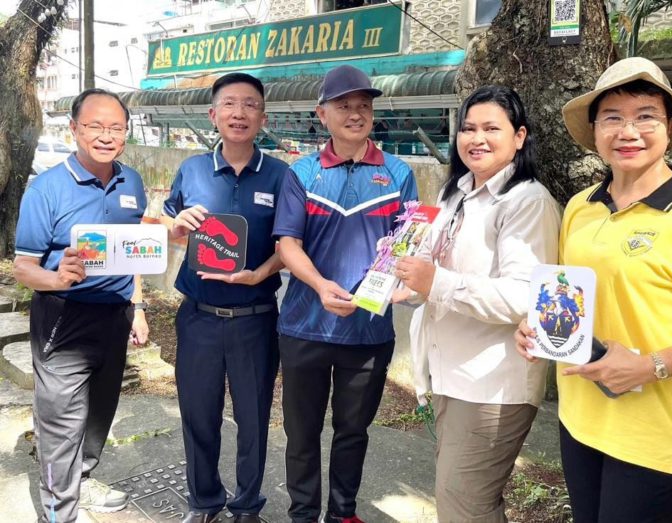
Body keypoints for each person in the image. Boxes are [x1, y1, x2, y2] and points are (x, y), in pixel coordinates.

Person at [515, 57, 672, 523]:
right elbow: (570, 294)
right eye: (613, 118)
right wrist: (539, 325)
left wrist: (651, 366)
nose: (628, 131)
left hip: (651, 431)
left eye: (645, 116)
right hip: (579, 417)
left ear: (668, 128)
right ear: (595, 131)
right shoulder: (581, 208)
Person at [394, 85, 560, 522]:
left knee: (465, 505)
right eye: (468, 128)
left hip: (492, 384)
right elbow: (435, 265)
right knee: (461, 501)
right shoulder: (456, 192)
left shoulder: (527, 201)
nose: (476, 138)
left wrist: (436, 283)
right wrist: (409, 281)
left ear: (519, 137)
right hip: (451, 372)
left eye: (491, 128)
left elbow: (525, 296)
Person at [273, 64, 418, 523]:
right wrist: (317, 286)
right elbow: (287, 243)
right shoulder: (302, 173)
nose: (355, 114)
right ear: (323, 113)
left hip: (368, 331)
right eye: (344, 106)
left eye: (363, 106)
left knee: (353, 431)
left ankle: (342, 513)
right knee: (301, 432)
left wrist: (398, 283)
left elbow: (407, 245)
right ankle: (302, 514)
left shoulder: (398, 173)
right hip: (304, 326)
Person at [13, 88, 149, 523]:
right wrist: (57, 278)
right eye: (95, 126)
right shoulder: (47, 188)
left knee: (99, 412)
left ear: (126, 133)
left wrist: (140, 305)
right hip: (64, 317)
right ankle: (59, 512)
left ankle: (83, 480)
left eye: (116, 128)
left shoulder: (133, 182)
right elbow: (22, 267)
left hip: (116, 313)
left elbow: (136, 251)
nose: (106, 136)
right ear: (74, 129)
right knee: (60, 422)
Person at [161, 73, 287, 523]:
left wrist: (262, 273)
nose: (239, 113)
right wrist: (174, 230)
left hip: (255, 317)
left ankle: (247, 505)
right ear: (213, 115)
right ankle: (204, 501)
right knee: (199, 414)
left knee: (252, 419)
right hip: (198, 316)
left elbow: (290, 245)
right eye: (229, 105)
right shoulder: (192, 169)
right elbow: (169, 225)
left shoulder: (280, 174)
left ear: (263, 117)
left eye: (250, 105)